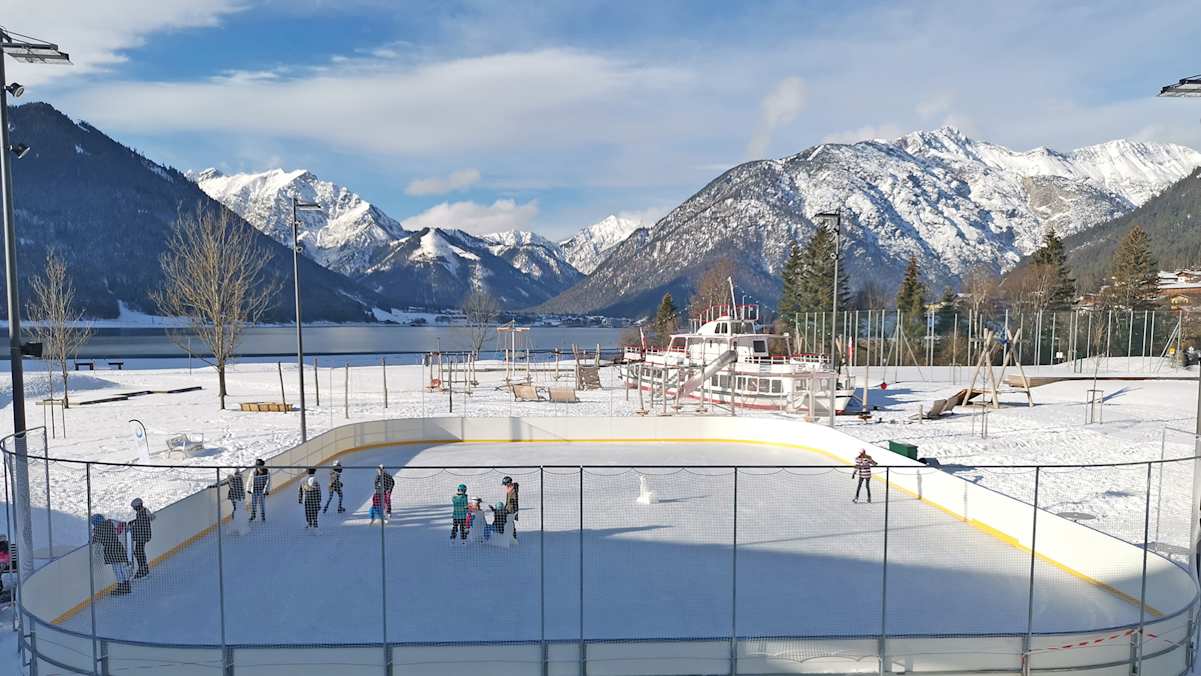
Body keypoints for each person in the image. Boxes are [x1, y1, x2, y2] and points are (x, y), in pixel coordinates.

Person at [90, 514, 132, 595]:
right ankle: (127, 586)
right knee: (121, 567)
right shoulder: (110, 523)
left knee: (116, 569)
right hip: (118, 547)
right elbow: (118, 529)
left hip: (110, 550)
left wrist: (93, 534)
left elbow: (94, 540)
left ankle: (121, 587)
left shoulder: (98, 530)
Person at [128, 498, 155, 579]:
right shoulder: (141, 512)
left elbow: (142, 523)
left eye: (134, 507)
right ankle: (143, 569)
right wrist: (133, 521)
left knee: (139, 552)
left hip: (142, 536)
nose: (134, 509)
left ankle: (143, 570)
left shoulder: (143, 512)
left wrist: (132, 527)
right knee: (138, 552)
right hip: (142, 535)